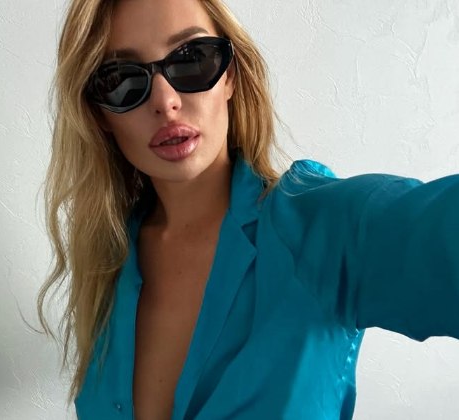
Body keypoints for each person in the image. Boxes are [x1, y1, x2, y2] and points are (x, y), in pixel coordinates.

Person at [37, 0, 459, 418]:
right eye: (121, 80)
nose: (165, 101)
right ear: (99, 114)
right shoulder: (107, 265)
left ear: (230, 75)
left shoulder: (319, 228)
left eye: (191, 59)